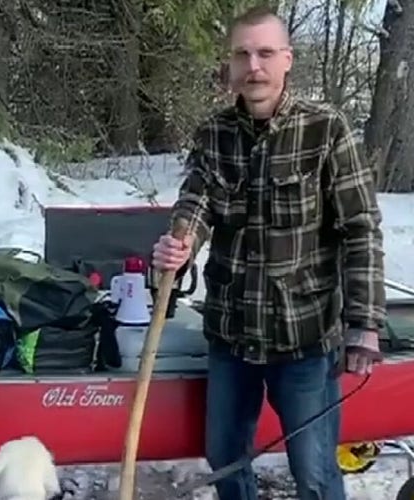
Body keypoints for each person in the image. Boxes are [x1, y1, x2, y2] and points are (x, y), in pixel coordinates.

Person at [151, 6, 385, 500]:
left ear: (287, 61)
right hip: (231, 336)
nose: (253, 66)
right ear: (231, 65)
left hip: (303, 338)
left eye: (265, 53)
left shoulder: (327, 129)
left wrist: (364, 322)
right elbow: (197, 200)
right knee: (225, 461)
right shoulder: (215, 133)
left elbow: (360, 229)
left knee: (316, 473)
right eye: (242, 54)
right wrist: (182, 239)